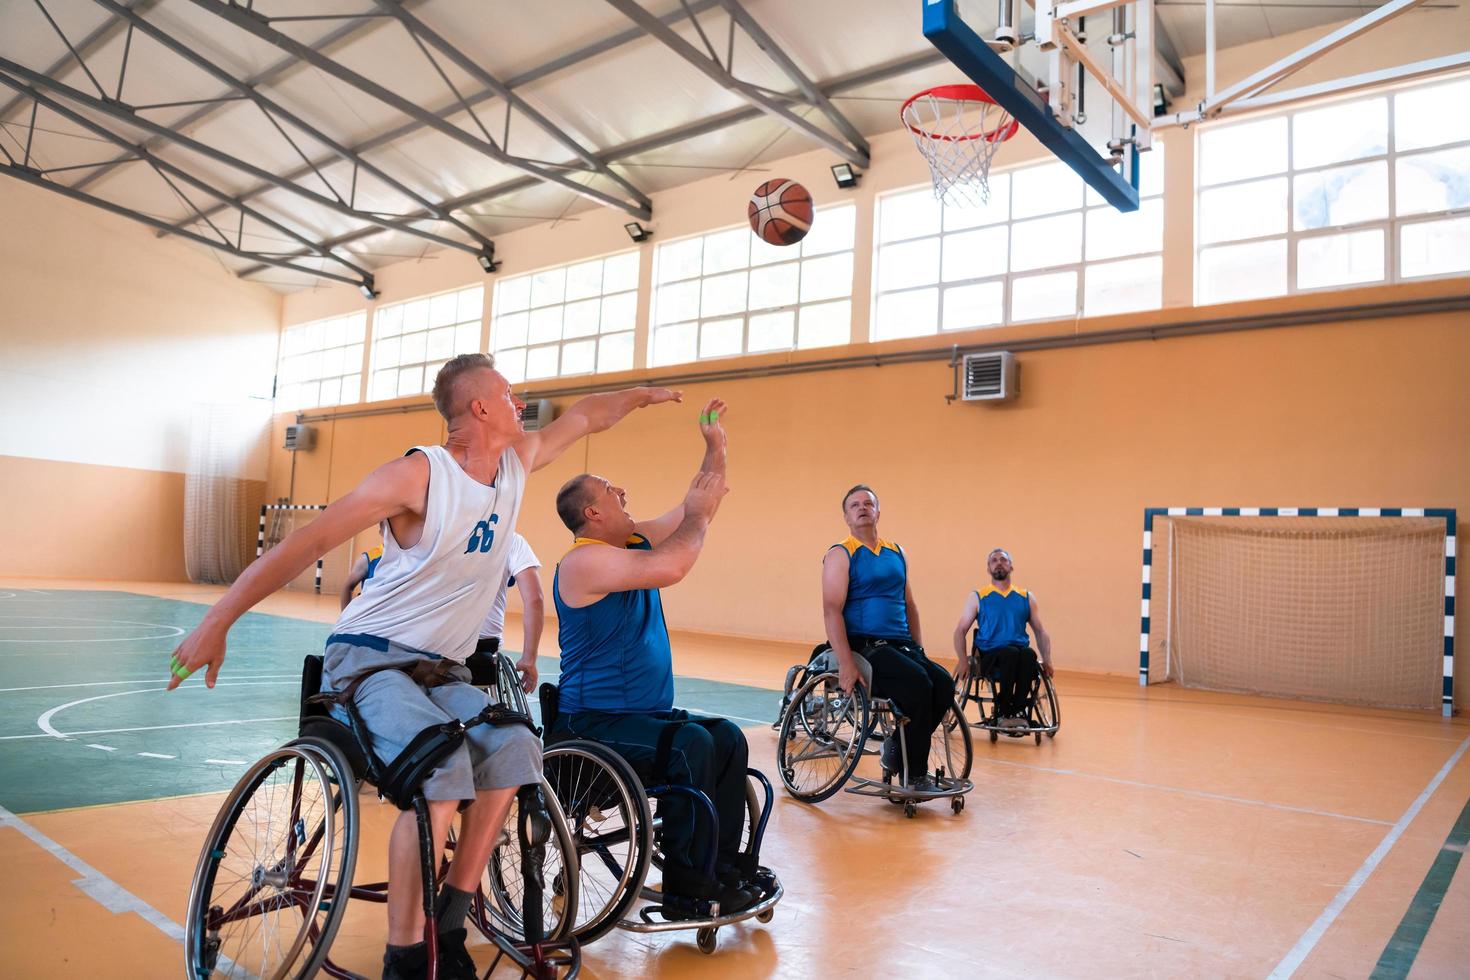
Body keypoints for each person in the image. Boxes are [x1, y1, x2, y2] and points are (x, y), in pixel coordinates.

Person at [166, 352, 682, 980]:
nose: (520, 402)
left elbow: (585, 417)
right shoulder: (418, 477)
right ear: (480, 407)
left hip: (445, 671)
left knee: (516, 745)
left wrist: (642, 393)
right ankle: (406, 956)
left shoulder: (516, 466)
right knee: (442, 768)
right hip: (370, 660)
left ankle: (451, 925)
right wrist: (219, 618)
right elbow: (310, 540)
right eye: (509, 392)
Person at [548, 398, 762, 918]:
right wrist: (696, 517)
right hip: (593, 723)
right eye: (611, 491)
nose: (622, 494)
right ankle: (688, 891)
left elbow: (698, 506)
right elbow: (675, 562)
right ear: (593, 513)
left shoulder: (631, 542)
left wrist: (716, 448)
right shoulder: (585, 561)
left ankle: (723, 866)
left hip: (642, 717)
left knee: (728, 737)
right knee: (689, 745)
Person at [821, 485, 952, 790]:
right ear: (846, 516)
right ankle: (914, 774)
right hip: (864, 646)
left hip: (900, 644)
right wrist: (845, 663)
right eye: (855, 505)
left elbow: (909, 605)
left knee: (943, 683)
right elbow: (831, 610)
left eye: (868, 503)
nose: (862, 508)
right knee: (918, 684)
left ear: (879, 512)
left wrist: (919, 649)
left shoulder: (897, 552)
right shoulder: (840, 553)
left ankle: (895, 747)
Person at [953, 548, 1054, 727]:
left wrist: (1048, 660)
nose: (998, 562)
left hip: (1018, 652)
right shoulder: (978, 596)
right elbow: (960, 630)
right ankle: (1004, 711)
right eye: (994, 560)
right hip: (989, 654)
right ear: (988, 569)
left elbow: (1040, 631)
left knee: (1029, 655)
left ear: (1011, 566)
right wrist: (962, 660)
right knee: (1010, 653)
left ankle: (1018, 709)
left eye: (1003, 560)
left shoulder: (1025, 597)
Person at [470, 531, 542, 694]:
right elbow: (535, 600)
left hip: (437, 645)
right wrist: (529, 659)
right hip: (484, 646)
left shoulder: (441, 532)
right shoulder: (512, 540)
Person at [339, 541, 384, 609]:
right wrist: (345, 616)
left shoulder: (405, 558)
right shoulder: (368, 559)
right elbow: (347, 586)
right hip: (372, 615)